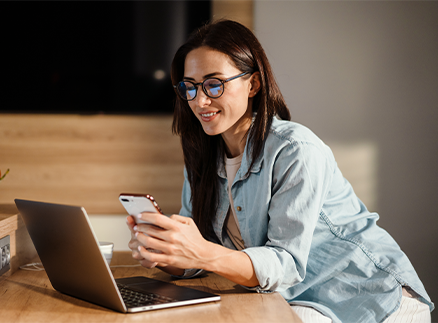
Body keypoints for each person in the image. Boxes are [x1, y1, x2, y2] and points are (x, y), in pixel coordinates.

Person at [126, 19, 433, 323]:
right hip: (297, 297)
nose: (200, 100)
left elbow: (284, 264)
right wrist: (166, 252)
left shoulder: (296, 149)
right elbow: (200, 257)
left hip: (372, 299)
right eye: (189, 87)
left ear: (253, 84)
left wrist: (202, 252)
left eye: (214, 84)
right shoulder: (203, 158)